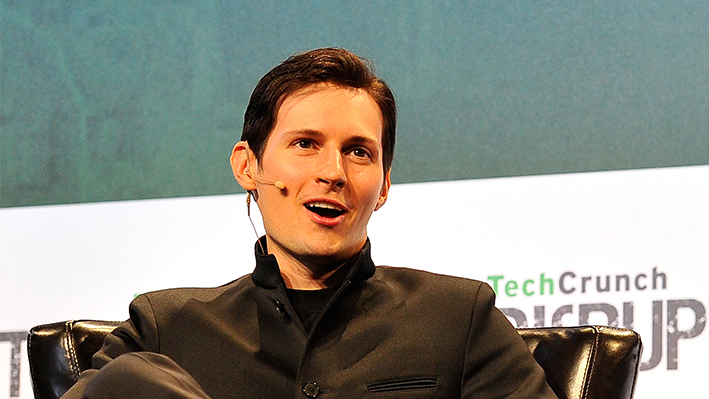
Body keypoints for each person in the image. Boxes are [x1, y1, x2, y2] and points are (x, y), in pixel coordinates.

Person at [62, 48, 558, 399]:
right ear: (247, 166)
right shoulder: (165, 328)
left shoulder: (458, 319)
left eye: (358, 152)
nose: (332, 173)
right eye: (305, 144)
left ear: (383, 185)